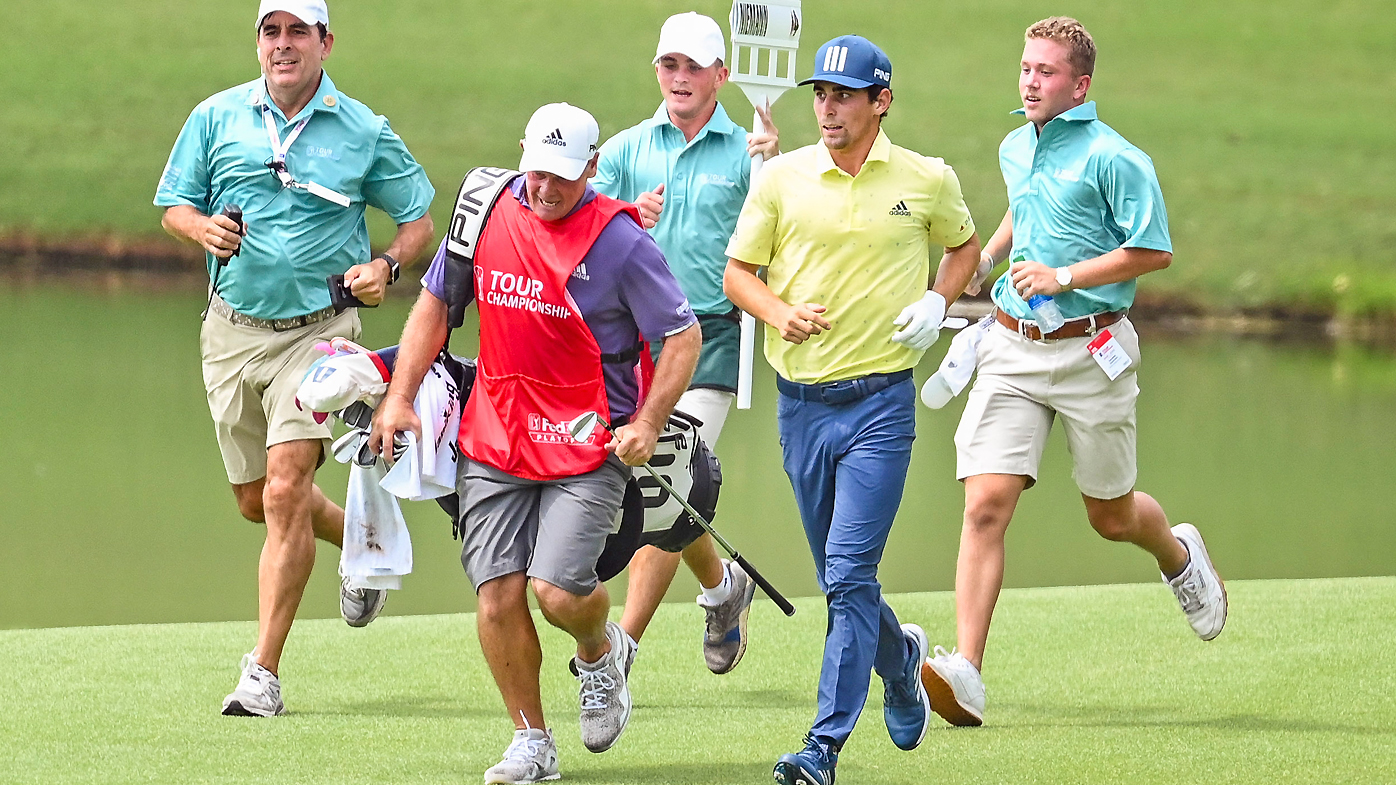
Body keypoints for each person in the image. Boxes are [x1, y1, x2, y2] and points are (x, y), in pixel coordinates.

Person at [370, 102, 700, 784]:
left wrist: (646, 422)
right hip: (495, 431)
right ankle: (532, 741)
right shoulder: (487, 207)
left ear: (592, 167)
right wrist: (400, 395)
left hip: (586, 439)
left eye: (563, 176)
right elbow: (435, 304)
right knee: (496, 595)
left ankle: (598, 651)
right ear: (522, 154)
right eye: (538, 172)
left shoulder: (621, 241)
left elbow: (683, 335)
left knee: (556, 591)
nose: (547, 189)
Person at [921, 16, 1227, 729]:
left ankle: (1178, 553)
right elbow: (1024, 209)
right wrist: (987, 262)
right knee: (985, 501)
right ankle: (966, 667)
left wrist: (1062, 275)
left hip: (1093, 349)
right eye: (1026, 68)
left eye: (1046, 72)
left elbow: (1151, 250)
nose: (1030, 81)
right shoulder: (1014, 144)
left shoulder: (1117, 158)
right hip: (1012, 345)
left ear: (1080, 84)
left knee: (1109, 515)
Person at [154, 0, 435, 717]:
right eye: (270, 32)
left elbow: (418, 220)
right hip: (230, 331)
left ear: (325, 43)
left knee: (284, 489)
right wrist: (201, 228)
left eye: (297, 32)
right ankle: (362, 537)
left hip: (318, 333)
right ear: (258, 44)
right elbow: (174, 206)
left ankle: (262, 672)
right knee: (256, 501)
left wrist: (389, 267)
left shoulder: (364, 130)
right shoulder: (216, 117)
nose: (283, 45)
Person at [723, 35, 982, 785]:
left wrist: (940, 299)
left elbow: (964, 248)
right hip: (801, 406)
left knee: (845, 572)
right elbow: (740, 274)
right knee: (847, 583)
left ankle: (822, 747)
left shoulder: (925, 178)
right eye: (821, 94)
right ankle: (901, 661)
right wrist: (778, 311)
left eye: (843, 95)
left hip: (881, 406)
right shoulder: (781, 178)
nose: (827, 108)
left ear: (881, 102)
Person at [592, 11, 779, 675]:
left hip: (711, 337)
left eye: (693, 67)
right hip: (630, 344)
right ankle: (723, 585)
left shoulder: (751, 154)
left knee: (662, 478)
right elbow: (576, 241)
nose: (679, 77)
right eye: (669, 65)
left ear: (721, 76)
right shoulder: (623, 151)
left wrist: (774, 170)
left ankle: (622, 645)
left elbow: (777, 240)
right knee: (668, 489)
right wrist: (619, 219)